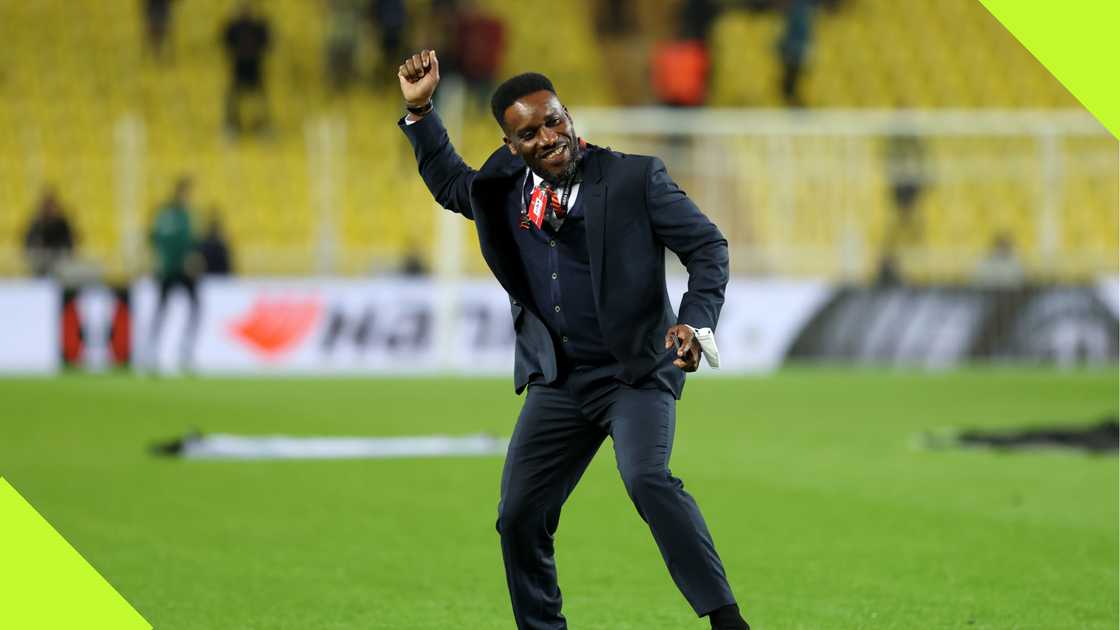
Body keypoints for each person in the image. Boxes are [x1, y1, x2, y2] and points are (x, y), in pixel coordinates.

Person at [397, 50, 750, 630]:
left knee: (647, 480)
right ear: (512, 145)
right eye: (529, 132)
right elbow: (452, 185)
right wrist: (421, 111)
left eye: (554, 119)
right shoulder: (505, 188)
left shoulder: (637, 178)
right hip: (559, 380)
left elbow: (707, 247)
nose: (549, 137)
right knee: (518, 515)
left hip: (635, 371)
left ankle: (725, 620)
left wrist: (695, 321)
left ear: (568, 115)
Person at [147, 177, 201, 371]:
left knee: (188, 309)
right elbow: (182, 242)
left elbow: (153, 238)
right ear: (180, 193)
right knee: (166, 310)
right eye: (187, 194)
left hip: (173, 269)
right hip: (173, 269)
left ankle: (182, 351)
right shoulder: (175, 216)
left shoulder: (169, 215)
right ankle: (157, 352)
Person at [222, 1, 272, 135]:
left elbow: (267, 42)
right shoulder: (234, 26)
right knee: (233, 98)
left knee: (259, 99)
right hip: (239, 67)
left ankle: (262, 125)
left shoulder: (257, 26)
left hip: (255, 67)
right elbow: (225, 42)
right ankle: (232, 126)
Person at [23, 186, 76, 278]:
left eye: (51, 206)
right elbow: (28, 242)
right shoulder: (37, 223)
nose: (49, 209)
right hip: (40, 267)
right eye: (47, 206)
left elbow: (69, 243)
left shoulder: (62, 224)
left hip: (60, 267)